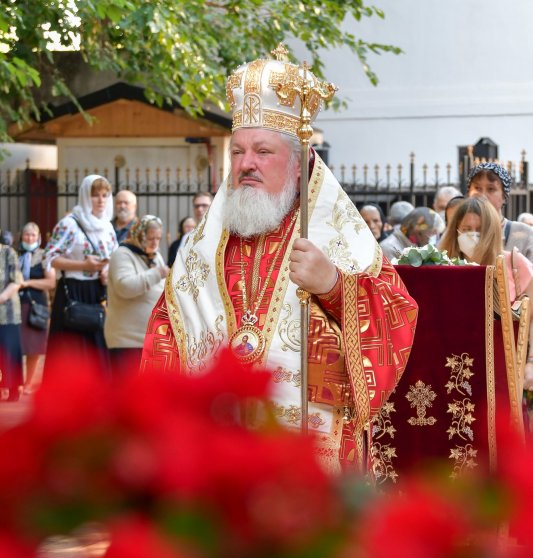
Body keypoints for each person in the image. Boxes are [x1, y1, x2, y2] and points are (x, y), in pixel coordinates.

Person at [141, 47, 418, 471]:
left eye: (262, 151)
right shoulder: (204, 244)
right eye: (237, 152)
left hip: (309, 450)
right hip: (216, 448)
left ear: (300, 159)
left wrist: (335, 286)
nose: (246, 164)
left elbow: (397, 317)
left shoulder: (339, 234)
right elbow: (167, 329)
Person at [438, 195, 533, 390]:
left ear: (491, 231)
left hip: (504, 374)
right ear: (455, 231)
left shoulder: (515, 263)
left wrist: (531, 362)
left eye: (479, 230)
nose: (473, 235)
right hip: (453, 374)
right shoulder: (442, 268)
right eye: (466, 230)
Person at [44, 174, 117, 372]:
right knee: (71, 351)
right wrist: (83, 265)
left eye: (105, 195)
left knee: (98, 350)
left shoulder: (108, 227)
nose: (101, 200)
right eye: (95, 195)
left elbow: (114, 256)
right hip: (73, 291)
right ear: (85, 196)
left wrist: (106, 271)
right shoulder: (69, 224)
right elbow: (50, 257)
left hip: (97, 292)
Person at [105, 215, 169, 375]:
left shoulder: (155, 256)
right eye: (150, 238)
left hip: (152, 340)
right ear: (139, 235)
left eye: (158, 238)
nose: (155, 243)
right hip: (127, 341)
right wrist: (157, 273)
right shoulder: (123, 254)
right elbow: (125, 287)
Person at [17, 222, 56, 393]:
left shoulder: (44, 256)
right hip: (15, 305)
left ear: (39, 237)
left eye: (33, 235)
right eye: (27, 234)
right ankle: (14, 381)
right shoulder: (15, 255)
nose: (30, 238)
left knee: (33, 346)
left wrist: (27, 283)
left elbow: (50, 282)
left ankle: (28, 383)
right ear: (22, 236)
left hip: (36, 305)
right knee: (14, 345)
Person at [467, 162, 533, 262]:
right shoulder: (459, 232)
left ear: (504, 196)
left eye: (491, 189)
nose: (483, 196)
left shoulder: (525, 234)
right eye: (477, 188)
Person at [0, 232, 23, 401]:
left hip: (7, 312)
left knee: (9, 351)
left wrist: (1, 298)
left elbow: (16, 281)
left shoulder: (8, 252)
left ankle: (13, 387)